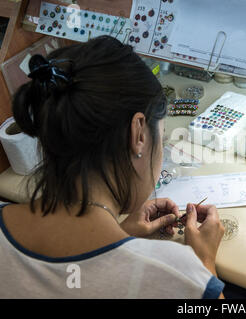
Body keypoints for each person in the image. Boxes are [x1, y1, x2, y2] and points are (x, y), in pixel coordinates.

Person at [0, 36, 225, 298]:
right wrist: (204, 264)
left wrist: (119, 236)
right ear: (139, 134)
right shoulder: (179, 277)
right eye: (161, 139)